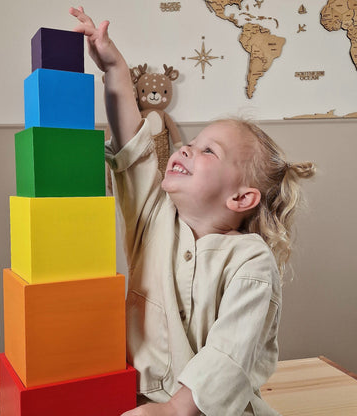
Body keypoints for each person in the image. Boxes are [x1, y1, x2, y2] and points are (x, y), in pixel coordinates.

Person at [69, 7, 316, 416]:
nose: (185, 148)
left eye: (207, 151)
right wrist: (114, 67)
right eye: (192, 141)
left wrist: (173, 410)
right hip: (136, 402)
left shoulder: (251, 262)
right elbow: (132, 145)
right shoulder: (152, 215)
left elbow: (229, 356)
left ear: (240, 198)